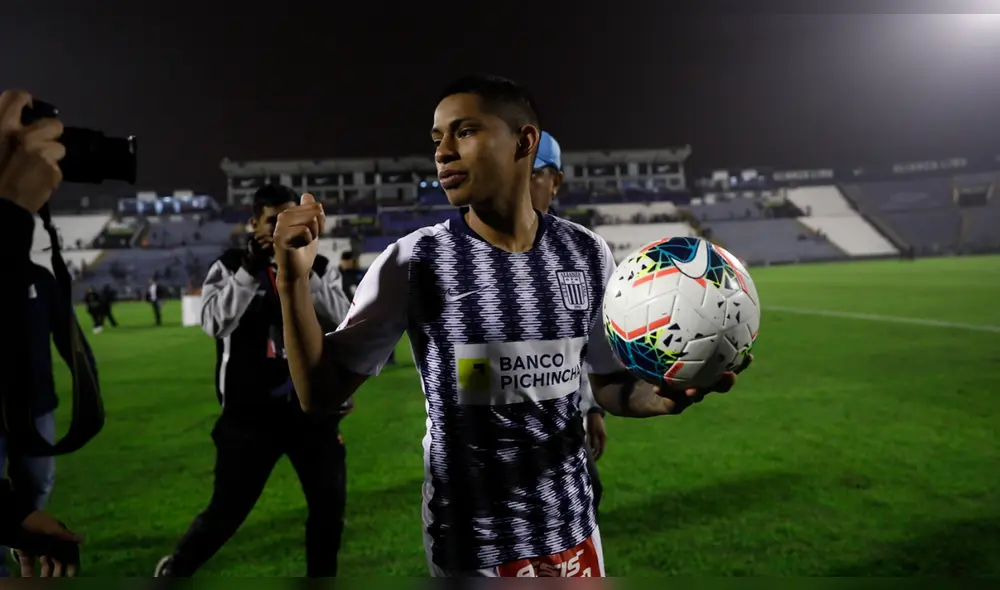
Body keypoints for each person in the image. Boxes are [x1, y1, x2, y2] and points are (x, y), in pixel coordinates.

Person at [273, 74, 752, 578]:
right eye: (437, 139)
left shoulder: (586, 253)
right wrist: (291, 282)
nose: (443, 152)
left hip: (576, 534)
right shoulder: (415, 261)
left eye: (464, 131)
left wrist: (658, 398)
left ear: (524, 141)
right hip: (475, 549)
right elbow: (319, 394)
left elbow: (607, 383)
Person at [155, 184, 353, 578]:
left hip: (309, 413)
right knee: (227, 511)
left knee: (329, 511)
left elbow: (343, 322)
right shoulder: (230, 265)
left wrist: (302, 270)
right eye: (273, 222)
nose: (283, 230)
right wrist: (249, 270)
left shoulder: (322, 266)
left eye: (289, 220)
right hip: (249, 417)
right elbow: (213, 323)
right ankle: (177, 569)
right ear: (253, 224)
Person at [0, 88, 85, 577]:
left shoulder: (38, 267)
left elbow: (63, 332)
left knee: (35, 485)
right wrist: (9, 207)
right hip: (6, 405)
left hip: (38, 400)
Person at [527, 130, 607, 515]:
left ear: (554, 182)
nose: (518, 184)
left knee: (589, 495)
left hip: (563, 434)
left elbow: (590, 353)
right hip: (487, 461)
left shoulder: (583, 252)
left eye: (531, 173)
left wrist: (593, 409)